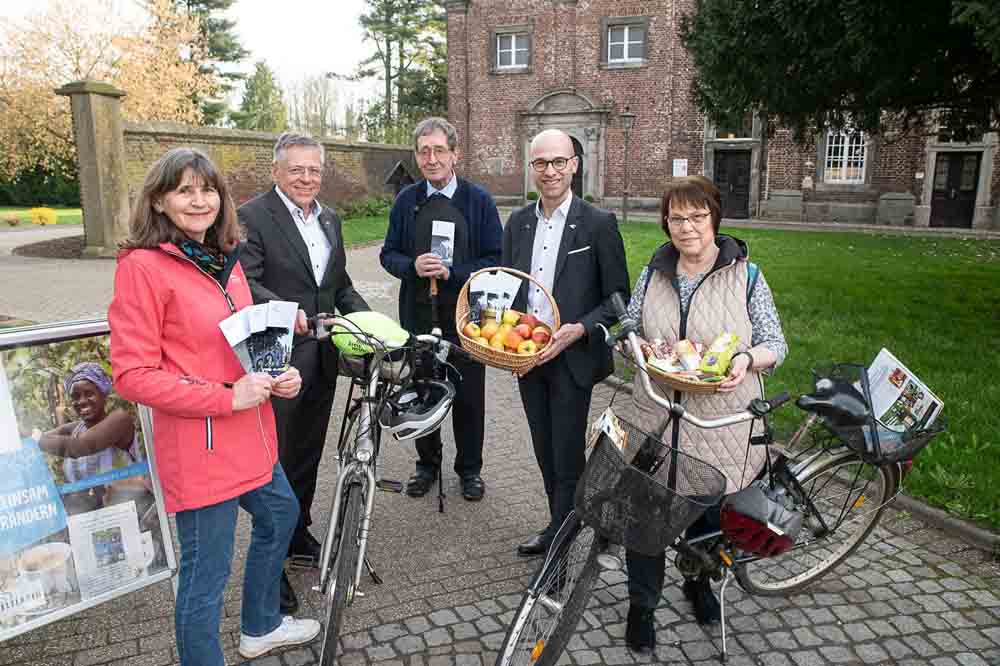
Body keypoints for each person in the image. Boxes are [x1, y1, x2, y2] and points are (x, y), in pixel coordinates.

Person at [108, 147, 319, 665]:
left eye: (207, 189)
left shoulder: (226, 258)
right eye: (184, 190)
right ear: (159, 200)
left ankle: (260, 626)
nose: (199, 200)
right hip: (201, 448)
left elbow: (244, 343)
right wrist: (225, 397)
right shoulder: (143, 268)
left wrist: (277, 374)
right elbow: (132, 376)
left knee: (281, 514)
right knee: (207, 572)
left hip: (251, 437)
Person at [622, 175, 787, 653]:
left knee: (707, 520)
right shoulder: (653, 273)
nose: (687, 227)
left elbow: (776, 344)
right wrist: (639, 346)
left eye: (697, 216)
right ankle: (642, 607)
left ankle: (698, 584)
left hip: (720, 425)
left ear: (714, 219)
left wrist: (745, 360)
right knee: (648, 520)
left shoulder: (747, 275)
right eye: (677, 217)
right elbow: (631, 325)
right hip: (656, 417)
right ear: (666, 223)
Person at [239, 132, 370, 608]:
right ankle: (269, 569)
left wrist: (370, 321)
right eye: (296, 169)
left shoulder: (330, 219)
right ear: (276, 172)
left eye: (314, 170)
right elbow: (243, 283)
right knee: (272, 461)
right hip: (278, 361)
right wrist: (287, 310)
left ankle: (297, 534)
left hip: (323, 359)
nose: (306, 178)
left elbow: (340, 286)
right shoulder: (252, 217)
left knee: (307, 452)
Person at [502, 129, 630, 556]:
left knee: (567, 449)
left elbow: (617, 299)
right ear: (531, 167)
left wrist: (579, 328)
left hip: (572, 356)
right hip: (528, 354)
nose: (550, 171)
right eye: (541, 163)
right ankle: (562, 520)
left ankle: (562, 538)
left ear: (575, 163)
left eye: (559, 162)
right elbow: (508, 290)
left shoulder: (599, 223)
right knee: (543, 445)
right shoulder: (518, 223)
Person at [380, 117, 502, 501]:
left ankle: (469, 469)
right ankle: (426, 465)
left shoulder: (477, 200)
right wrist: (411, 266)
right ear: (417, 156)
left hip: (466, 319)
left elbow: (495, 259)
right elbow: (388, 254)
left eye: (439, 150)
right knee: (423, 391)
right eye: (423, 151)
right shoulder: (407, 201)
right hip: (418, 315)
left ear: (455, 154)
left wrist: (454, 272)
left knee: (468, 398)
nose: (431, 158)